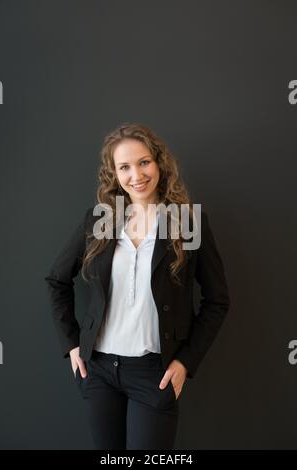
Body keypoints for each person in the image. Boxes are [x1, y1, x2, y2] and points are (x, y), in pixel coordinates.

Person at [44, 122, 230, 450]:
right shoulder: (100, 219)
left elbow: (216, 300)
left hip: (153, 372)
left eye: (144, 162)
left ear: (159, 162)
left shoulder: (188, 222)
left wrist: (185, 362)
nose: (137, 175)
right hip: (98, 370)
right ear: (114, 174)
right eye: (124, 167)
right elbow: (56, 281)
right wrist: (72, 345)